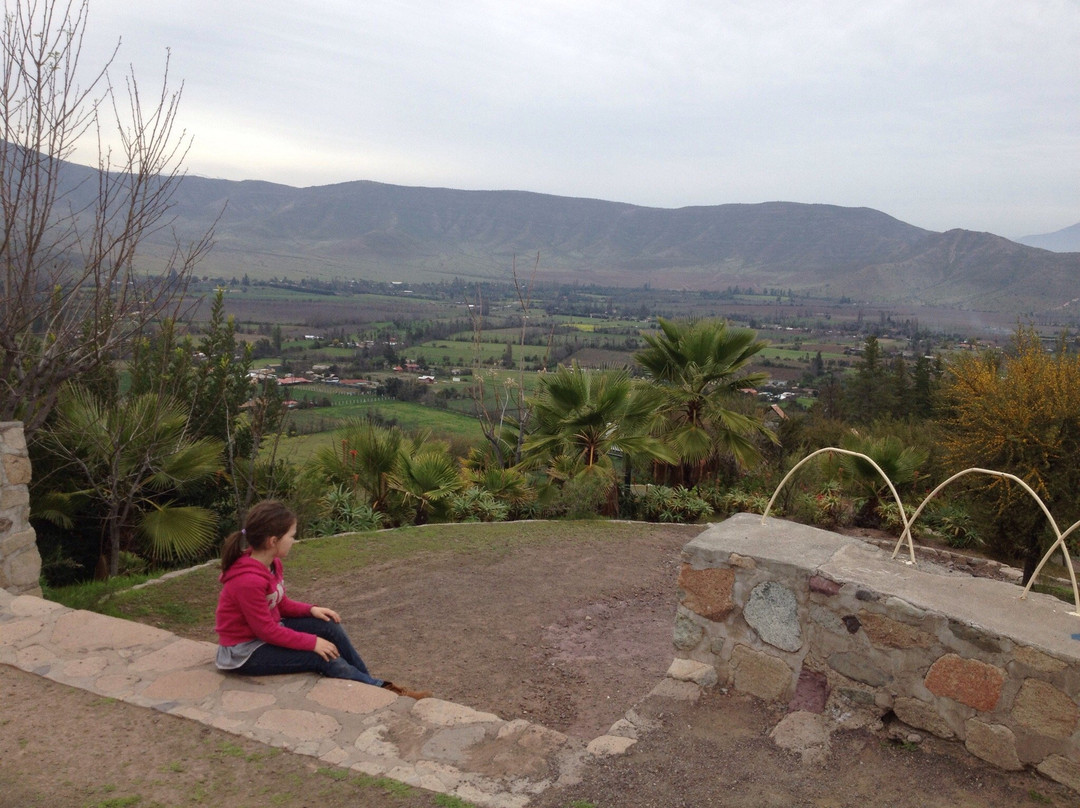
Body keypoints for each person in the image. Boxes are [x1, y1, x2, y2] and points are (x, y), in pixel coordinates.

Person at [214, 500, 430, 699]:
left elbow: (281, 604)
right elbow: (266, 631)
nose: (293, 541)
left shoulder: (272, 563)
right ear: (273, 541)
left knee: (327, 625)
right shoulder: (248, 581)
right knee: (320, 656)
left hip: (265, 633)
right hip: (245, 651)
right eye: (291, 536)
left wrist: (311, 610)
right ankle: (381, 691)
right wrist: (312, 642)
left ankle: (371, 684)